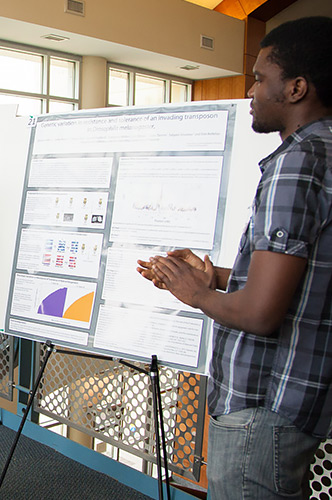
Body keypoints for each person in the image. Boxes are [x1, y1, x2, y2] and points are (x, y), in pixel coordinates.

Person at [136, 16, 331, 500]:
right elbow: (305, 279)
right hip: (296, 402)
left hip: (262, 406)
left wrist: (196, 292)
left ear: (296, 88)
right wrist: (221, 276)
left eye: (262, 78)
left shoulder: (298, 162)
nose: (251, 90)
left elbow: (262, 314)